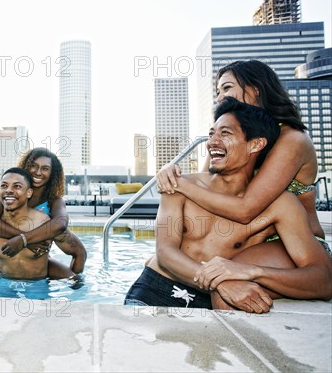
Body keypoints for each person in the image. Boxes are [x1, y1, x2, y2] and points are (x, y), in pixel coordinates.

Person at [125, 98, 332, 312]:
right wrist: (222, 282)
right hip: (157, 287)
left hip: (216, 298)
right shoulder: (179, 185)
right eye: (211, 133)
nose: (212, 142)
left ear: (256, 144)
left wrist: (252, 272)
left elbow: (323, 280)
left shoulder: (279, 205)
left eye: (225, 134)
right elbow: (165, 253)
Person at [156, 59, 328, 265]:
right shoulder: (227, 137)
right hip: (246, 239)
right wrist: (169, 172)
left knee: (224, 278)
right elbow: (207, 184)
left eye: (226, 88)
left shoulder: (292, 139)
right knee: (163, 263)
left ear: (256, 90)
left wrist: (179, 184)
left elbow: (245, 209)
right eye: (217, 92)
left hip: (290, 244)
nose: (219, 98)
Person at [0, 148, 87, 275]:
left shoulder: (54, 201)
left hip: (38, 261)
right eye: (33, 166)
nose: (38, 172)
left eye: (45, 168)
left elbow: (61, 224)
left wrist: (23, 240)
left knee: (78, 259)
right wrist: (24, 240)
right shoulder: (13, 195)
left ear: (53, 173)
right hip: (11, 260)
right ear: (26, 166)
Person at [0, 168, 78, 280]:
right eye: (4, 186)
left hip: (37, 287)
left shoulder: (45, 225)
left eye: (17, 186)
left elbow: (78, 253)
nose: (9, 190)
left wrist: (74, 286)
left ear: (29, 192)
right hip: (4, 287)